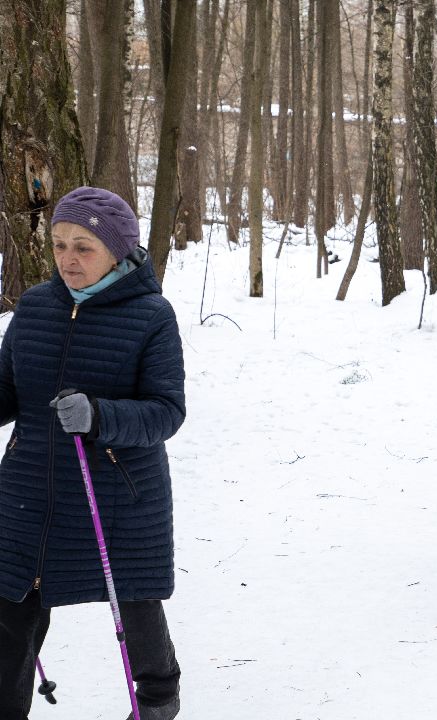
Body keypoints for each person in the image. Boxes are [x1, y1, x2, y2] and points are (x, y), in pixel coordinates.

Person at [0, 187, 186, 720]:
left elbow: (165, 411)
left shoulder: (151, 315)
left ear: (116, 250)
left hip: (118, 494)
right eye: (59, 245)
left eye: (83, 246)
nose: (67, 259)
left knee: (135, 603)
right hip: (29, 490)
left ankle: (156, 700)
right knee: (12, 603)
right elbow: (7, 392)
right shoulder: (35, 306)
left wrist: (100, 416)